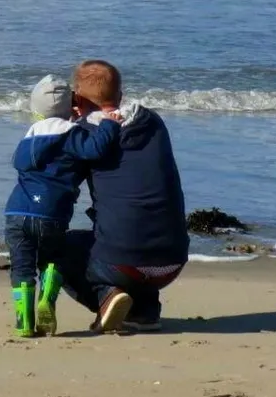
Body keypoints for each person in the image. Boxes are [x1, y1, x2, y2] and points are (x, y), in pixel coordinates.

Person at [63, 60, 189, 333]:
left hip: (123, 263)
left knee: (60, 246)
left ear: (77, 98)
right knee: (133, 218)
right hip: (172, 259)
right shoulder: (152, 121)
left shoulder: (86, 135)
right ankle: (145, 312)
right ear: (120, 95)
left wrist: (69, 121)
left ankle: (104, 296)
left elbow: (59, 184)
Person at [2, 74, 122, 338]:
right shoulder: (72, 134)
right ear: (72, 106)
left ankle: (24, 320)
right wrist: (109, 125)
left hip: (16, 211)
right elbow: (96, 150)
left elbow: (18, 163)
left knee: (21, 267)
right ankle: (48, 299)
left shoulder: (29, 138)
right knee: (52, 259)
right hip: (52, 213)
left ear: (35, 111)